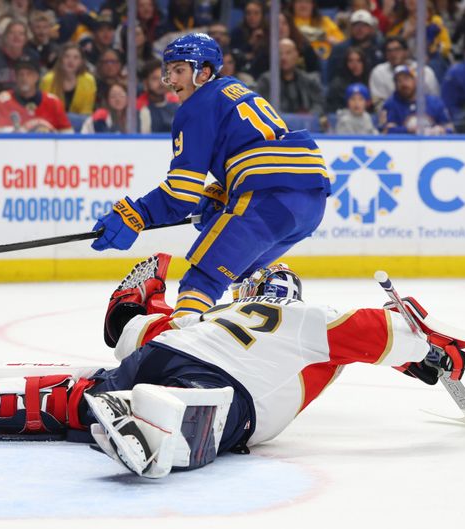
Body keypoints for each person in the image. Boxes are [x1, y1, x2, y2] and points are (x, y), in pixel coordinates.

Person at [0, 256, 465, 478]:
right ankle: (149, 424)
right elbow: (384, 330)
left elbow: (131, 336)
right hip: (226, 384)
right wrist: (436, 354)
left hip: (168, 349)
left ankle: (5, 398)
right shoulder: (311, 319)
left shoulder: (215, 313)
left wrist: (142, 303)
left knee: (97, 384)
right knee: (204, 414)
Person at [90, 33, 329, 317]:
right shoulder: (234, 89)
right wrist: (223, 191)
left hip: (268, 198)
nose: (171, 80)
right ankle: (261, 326)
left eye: (179, 70)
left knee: (202, 280)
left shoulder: (195, 107)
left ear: (203, 72)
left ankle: (181, 342)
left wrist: (137, 214)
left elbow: (180, 195)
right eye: (169, 71)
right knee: (246, 275)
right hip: (311, 201)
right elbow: (258, 148)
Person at [0, 56, 73, 133]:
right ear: (15, 77)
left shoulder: (53, 102)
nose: (24, 78)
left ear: (36, 77)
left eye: (29, 74)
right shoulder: (4, 101)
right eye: (20, 74)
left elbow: (68, 134)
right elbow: (0, 133)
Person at [254, 38, 326, 118]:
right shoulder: (266, 81)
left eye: (288, 53)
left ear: (296, 55)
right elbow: (260, 107)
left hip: (305, 124)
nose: (283, 57)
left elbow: (320, 104)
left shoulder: (309, 80)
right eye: (280, 53)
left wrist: (309, 116)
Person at [369, 36, 440, 111]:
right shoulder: (378, 72)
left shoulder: (424, 71)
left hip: (424, 113)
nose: (393, 54)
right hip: (392, 113)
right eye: (389, 51)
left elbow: (435, 97)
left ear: (406, 52)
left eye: (397, 50)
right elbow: (379, 104)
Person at [380, 65, 453, 135]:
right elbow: (386, 130)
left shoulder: (434, 102)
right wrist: (409, 130)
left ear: (416, 80)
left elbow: (450, 128)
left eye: (406, 78)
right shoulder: (390, 104)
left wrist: (441, 130)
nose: (403, 84)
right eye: (398, 81)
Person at [326, 9, 382, 86]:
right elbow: (331, 78)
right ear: (350, 28)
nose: (359, 29)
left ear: (371, 29)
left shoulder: (379, 48)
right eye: (356, 25)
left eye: (364, 25)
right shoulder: (339, 49)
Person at [39, 42, 96, 115]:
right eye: (67, 56)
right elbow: (44, 108)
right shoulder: (48, 80)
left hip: (80, 120)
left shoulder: (89, 81)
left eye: (76, 58)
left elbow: (86, 111)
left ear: (81, 62)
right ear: (61, 60)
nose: (71, 61)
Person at [326, 46, 371, 113]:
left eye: (359, 61)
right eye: (350, 61)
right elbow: (331, 109)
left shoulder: (371, 82)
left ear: (364, 63)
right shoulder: (337, 84)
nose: (355, 65)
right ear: (345, 63)